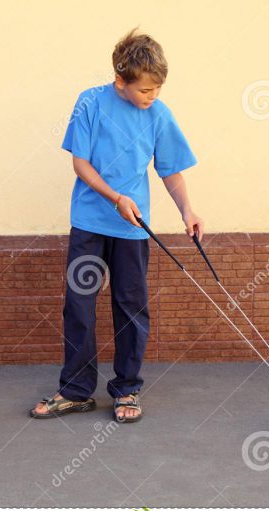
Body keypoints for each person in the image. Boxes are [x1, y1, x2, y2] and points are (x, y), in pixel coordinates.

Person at [30, 29, 204, 423]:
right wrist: (115, 198)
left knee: (131, 308)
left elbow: (170, 170)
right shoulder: (90, 102)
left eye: (157, 89)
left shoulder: (159, 114)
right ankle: (76, 391)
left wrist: (187, 210)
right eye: (145, 90)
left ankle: (127, 389)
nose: (152, 97)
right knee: (79, 305)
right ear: (120, 81)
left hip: (133, 229)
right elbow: (81, 164)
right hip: (90, 223)